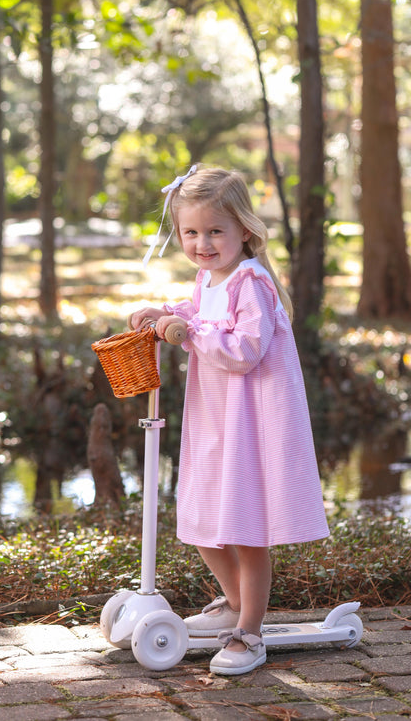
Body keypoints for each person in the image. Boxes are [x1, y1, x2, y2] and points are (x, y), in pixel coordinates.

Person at [131, 165, 329, 675]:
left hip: (253, 422)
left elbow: (242, 349)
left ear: (244, 229)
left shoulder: (252, 282)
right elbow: (198, 309)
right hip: (217, 419)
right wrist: (165, 312)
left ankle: (251, 631)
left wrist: (186, 333)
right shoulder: (209, 277)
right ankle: (235, 599)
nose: (202, 243)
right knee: (202, 522)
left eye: (215, 230)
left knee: (246, 528)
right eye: (191, 232)